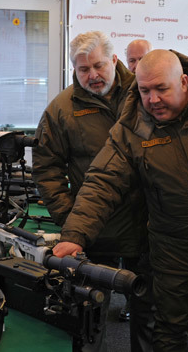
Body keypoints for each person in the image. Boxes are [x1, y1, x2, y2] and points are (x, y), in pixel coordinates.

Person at [53, 49, 188, 351]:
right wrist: (75, 234)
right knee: (167, 332)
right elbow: (103, 181)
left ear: (184, 81)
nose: (152, 100)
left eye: (161, 89)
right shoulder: (131, 128)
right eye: (144, 91)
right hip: (173, 249)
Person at [32, 31, 149, 351]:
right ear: (73, 68)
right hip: (95, 229)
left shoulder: (146, 93)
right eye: (83, 69)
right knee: (89, 315)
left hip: (148, 226)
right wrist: (70, 219)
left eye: (99, 65)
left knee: (150, 314)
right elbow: (47, 168)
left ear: (114, 60)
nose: (93, 75)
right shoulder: (61, 109)